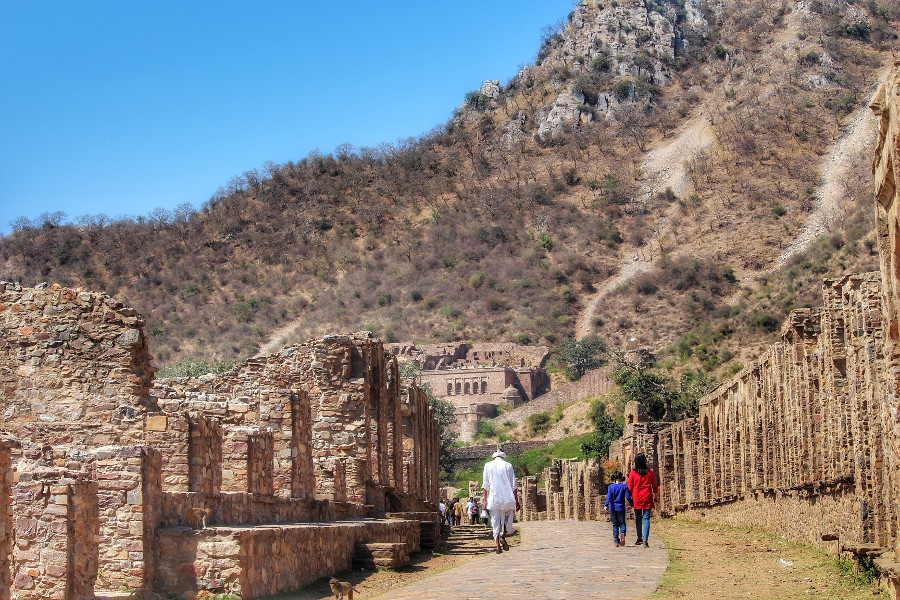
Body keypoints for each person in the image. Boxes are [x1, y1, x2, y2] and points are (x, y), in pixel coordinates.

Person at [482, 450, 520, 554]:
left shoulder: (488, 466)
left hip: (494, 499)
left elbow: (485, 485)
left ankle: (497, 545)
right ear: (503, 457)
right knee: (508, 520)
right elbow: (514, 485)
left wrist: (485, 500)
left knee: (495, 522)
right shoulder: (508, 465)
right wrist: (517, 501)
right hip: (508, 498)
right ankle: (503, 536)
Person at [627, 453, 659, 547]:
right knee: (646, 518)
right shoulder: (650, 472)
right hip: (647, 496)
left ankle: (639, 538)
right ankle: (645, 540)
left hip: (637, 497)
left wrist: (629, 497)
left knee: (638, 518)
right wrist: (655, 495)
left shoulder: (633, 473)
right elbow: (654, 485)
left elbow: (629, 487)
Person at [604, 472, 630, 547]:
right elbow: (628, 497)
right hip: (621, 507)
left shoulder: (611, 487)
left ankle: (616, 541)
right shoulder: (624, 486)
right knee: (622, 523)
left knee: (615, 524)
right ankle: (622, 533)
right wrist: (632, 503)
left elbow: (609, 497)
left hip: (613, 507)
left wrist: (606, 505)